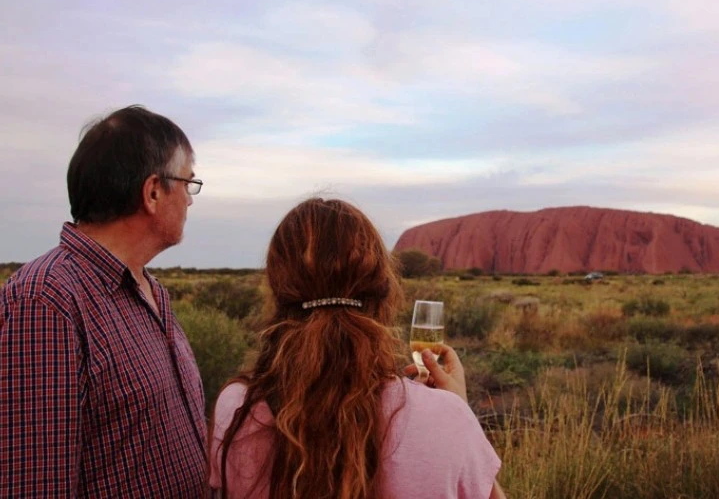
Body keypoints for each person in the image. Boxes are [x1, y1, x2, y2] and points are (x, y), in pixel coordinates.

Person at [208, 197, 506, 499]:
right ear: (382, 291)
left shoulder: (236, 407)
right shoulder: (445, 416)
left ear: (278, 291)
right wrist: (458, 413)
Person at [0, 106, 207, 497]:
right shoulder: (46, 301)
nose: (190, 200)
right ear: (153, 192)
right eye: (187, 183)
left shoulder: (149, 290)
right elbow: (32, 484)